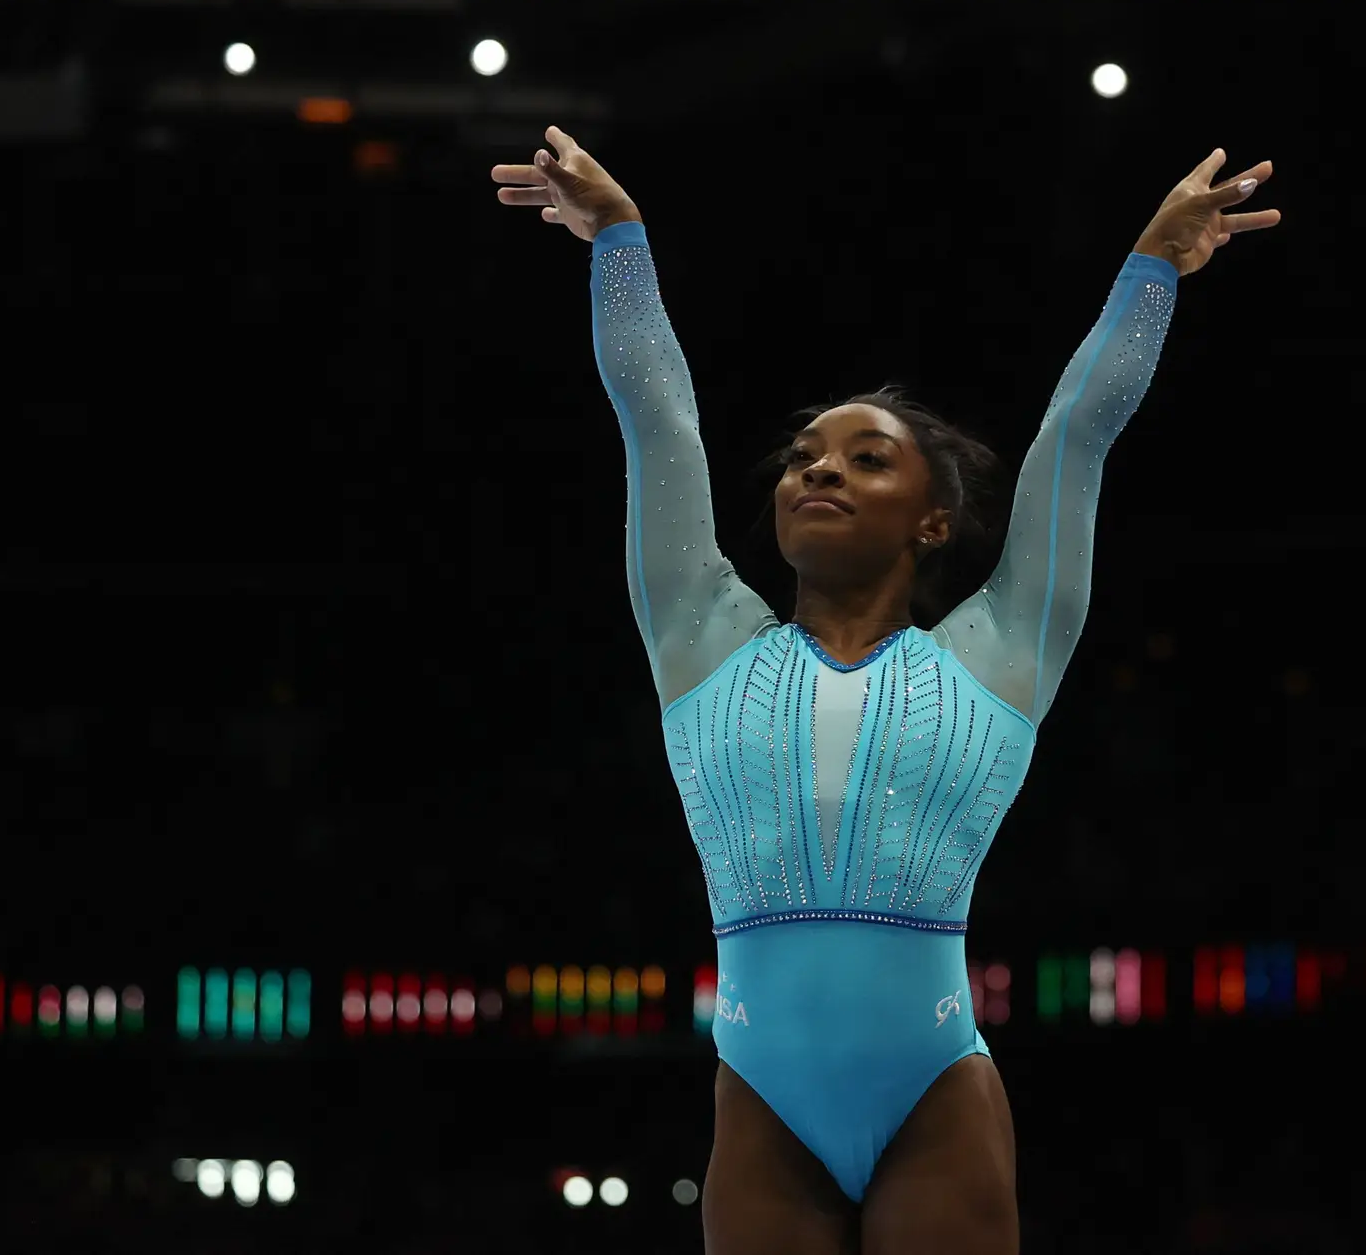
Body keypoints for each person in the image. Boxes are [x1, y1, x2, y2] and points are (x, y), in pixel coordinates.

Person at [493, 126, 1279, 1254]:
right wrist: (618, 241)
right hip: (760, 1094)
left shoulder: (1002, 648)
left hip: (935, 1089)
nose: (819, 467)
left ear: (933, 520)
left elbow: (1080, 434)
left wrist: (1152, 265)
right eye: (807, 453)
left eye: (867, 457)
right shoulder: (699, 631)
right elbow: (654, 418)